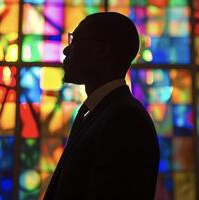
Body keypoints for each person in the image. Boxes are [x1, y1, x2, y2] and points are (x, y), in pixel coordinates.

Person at [43, 12, 160, 200]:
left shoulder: (126, 120)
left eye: (76, 41)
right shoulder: (104, 112)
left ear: (101, 50)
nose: (66, 50)